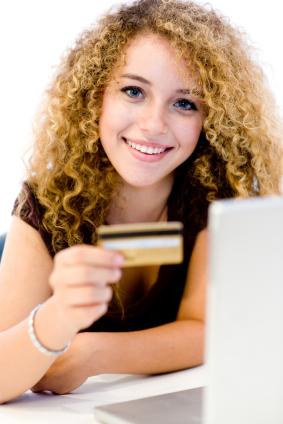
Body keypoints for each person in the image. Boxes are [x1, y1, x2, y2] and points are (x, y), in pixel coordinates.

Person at [0, 0, 282, 404]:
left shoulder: (214, 196)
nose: (153, 125)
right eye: (133, 91)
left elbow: (204, 328)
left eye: (185, 103)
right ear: (96, 97)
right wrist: (59, 316)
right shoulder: (46, 203)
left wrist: (90, 353)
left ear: (210, 119)